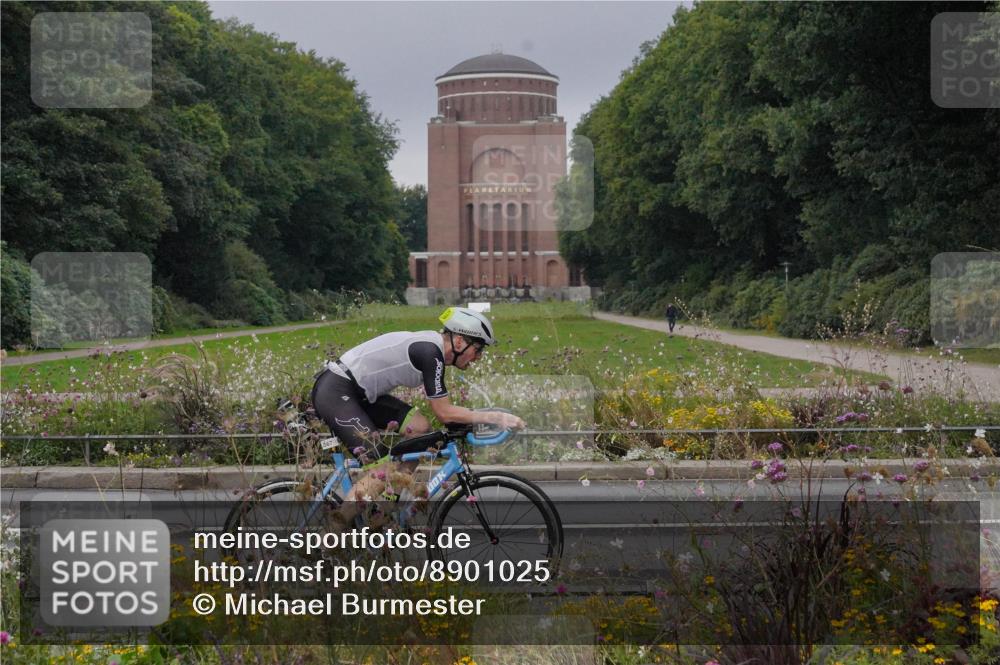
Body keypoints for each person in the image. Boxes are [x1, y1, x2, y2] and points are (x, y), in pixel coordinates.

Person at [310, 307, 525, 516]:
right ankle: (328, 540)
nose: (478, 357)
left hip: (359, 394)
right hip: (336, 392)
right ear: (459, 341)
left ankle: (384, 510)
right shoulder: (430, 352)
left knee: (421, 429)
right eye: (477, 349)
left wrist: (473, 419)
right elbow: (445, 412)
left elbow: (446, 412)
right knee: (382, 470)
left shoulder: (434, 352)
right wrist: (496, 417)